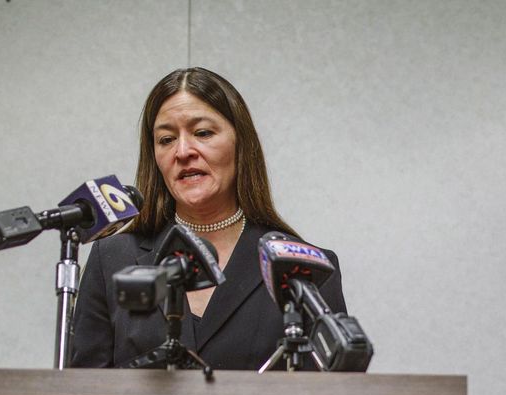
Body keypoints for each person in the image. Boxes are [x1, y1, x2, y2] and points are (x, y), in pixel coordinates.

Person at [71, 67, 346, 370]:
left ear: (241, 145)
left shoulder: (305, 269)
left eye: (202, 133)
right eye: (166, 139)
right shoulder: (111, 260)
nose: (183, 151)